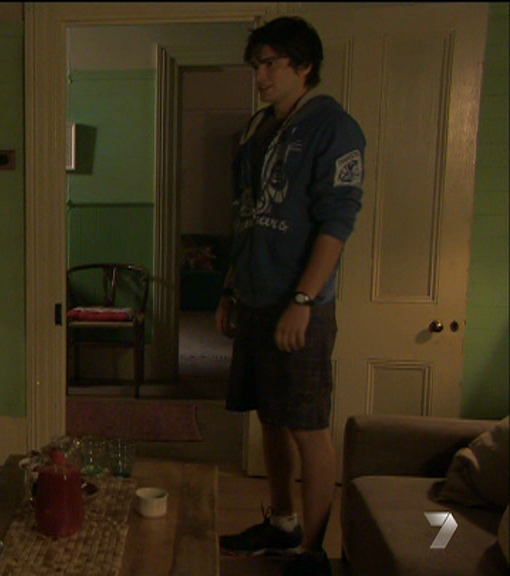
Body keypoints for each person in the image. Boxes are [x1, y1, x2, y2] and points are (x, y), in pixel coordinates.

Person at [215, 16, 365, 576]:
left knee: (307, 425)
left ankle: (313, 551)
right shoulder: (259, 128)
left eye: (271, 64)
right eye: (256, 64)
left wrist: (302, 301)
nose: (260, 76)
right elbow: (246, 216)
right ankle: (281, 524)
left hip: (299, 306)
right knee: (270, 419)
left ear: (305, 66)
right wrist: (230, 288)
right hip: (254, 298)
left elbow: (337, 222)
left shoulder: (333, 127)